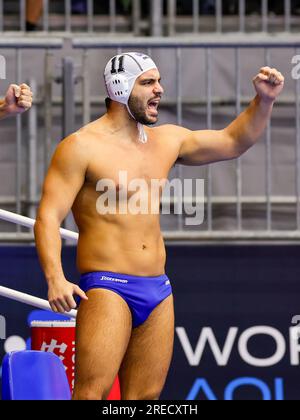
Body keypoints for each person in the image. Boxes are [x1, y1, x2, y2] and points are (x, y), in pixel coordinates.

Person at [34, 52, 284, 400]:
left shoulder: (167, 141)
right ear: (121, 88)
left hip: (158, 289)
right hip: (108, 285)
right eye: (148, 82)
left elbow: (233, 142)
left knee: (145, 399)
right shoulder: (81, 147)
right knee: (91, 393)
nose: (159, 90)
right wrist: (55, 278)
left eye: (159, 81)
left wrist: (265, 100)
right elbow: (47, 215)